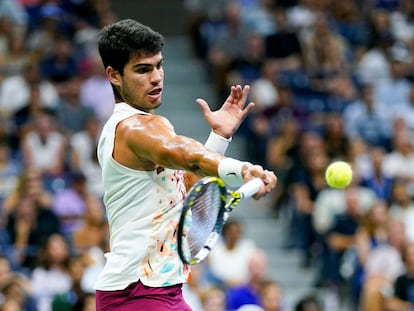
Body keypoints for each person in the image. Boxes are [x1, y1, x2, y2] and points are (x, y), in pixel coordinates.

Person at [93, 19, 277, 311]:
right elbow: (185, 153)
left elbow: (187, 189)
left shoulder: (153, 126)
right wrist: (240, 169)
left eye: (159, 66)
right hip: (136, 294)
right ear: (114, 75)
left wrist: (219, 138)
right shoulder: (131, 128)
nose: (156, 78)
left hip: (162, 290)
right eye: (143, 70)